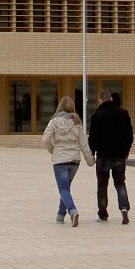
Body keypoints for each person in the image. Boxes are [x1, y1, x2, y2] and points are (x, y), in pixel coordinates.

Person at [42, 96, 94, 226]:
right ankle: (60, 215)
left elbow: (45, 140)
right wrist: (90, 159)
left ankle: (72, 210)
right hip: (74, 161)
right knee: (66, 188)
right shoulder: (77, 122)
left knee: (63, 189)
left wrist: (52, 149)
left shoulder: (54, 122)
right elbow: (83, 143)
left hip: (60, 160)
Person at [88, 89, 134, 224]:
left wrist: (92, 153)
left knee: (102, 185)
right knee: (120, 183)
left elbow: (93, 138)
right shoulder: (123, 114)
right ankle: (124, 208)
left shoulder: (97, 116)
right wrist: (126, 151)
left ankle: (103, 214)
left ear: (100, 100)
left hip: (103, 155)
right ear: (111, 99)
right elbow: (129, 135)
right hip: (120, 155)